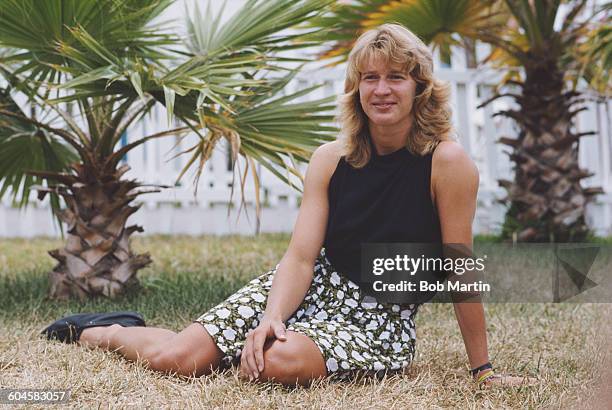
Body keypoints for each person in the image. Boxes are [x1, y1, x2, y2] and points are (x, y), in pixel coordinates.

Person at [42, 24, 527, 387]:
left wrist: (482, 370)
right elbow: (300, 257)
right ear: (356, 89)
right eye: (370, 78)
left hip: (380, 317)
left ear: (420, 86)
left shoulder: (448, 161)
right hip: (310, 288)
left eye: (397, 77)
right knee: (178, 360)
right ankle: (99, 331)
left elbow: (459, 267)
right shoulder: (329, 159)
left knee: (276, 363)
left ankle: (257, 347)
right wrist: (273, 315)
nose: (382, 90)